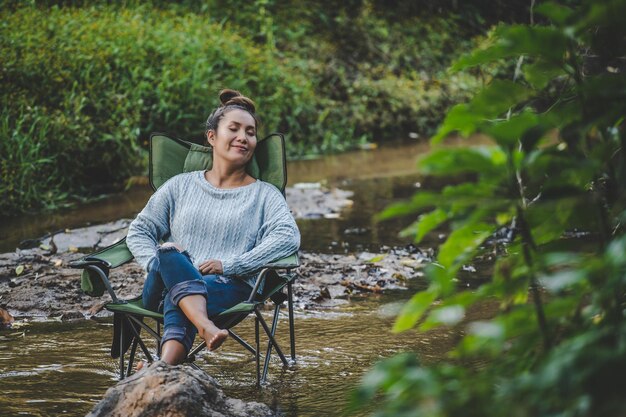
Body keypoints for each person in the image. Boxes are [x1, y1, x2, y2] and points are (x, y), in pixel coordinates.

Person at [126, 89, 300, 366]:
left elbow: (287, 237)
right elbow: (140, 231)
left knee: (180, 293)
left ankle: (160, 368)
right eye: (234, 129)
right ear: (211, 136)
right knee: (170, 252)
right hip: (162, 285)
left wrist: (231, 265)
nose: (244, 137)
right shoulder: (180, 185)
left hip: (227, 287)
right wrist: (158, 265)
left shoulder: (264, 195)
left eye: (251, 132)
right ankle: (204, 328)